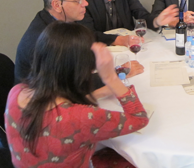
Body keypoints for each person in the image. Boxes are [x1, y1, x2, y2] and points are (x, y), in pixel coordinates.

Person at [5, 22, 149, 168]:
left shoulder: (16, 92)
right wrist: (111, 78)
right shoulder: (81, 117)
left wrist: (100, 93)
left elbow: (55, 110)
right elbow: (139, 119)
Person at [14, 0, 89, 84]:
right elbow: (66, 86)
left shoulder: (63, 20)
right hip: (39, 97)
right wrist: (111, 78)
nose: (86, 3)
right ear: (57, 5)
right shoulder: (43, 40)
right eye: (78, 0)